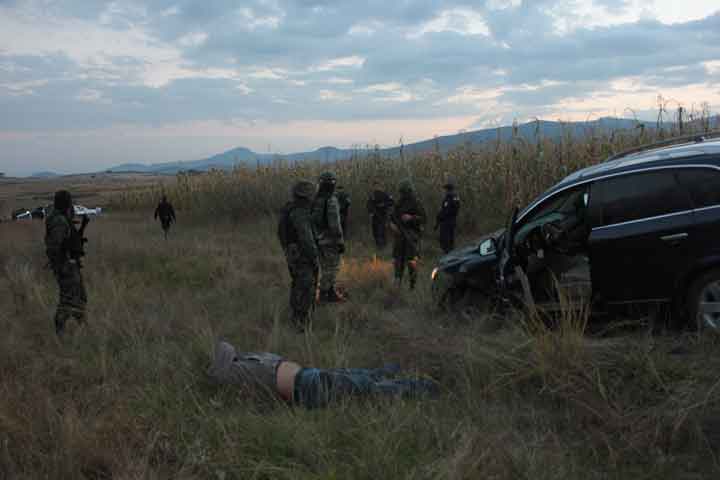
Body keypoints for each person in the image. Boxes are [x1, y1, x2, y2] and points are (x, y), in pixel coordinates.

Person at [208, 340, 438, 408]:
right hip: (306, 388)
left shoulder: (246, 361)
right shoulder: (232, 374)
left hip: (307, 375)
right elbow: (224, 346)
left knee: (357, 375)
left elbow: (226, 347)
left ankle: (397, 371)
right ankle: (421, 387)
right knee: (365, 387)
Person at [278, 180, 320, 330]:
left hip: (292, 254)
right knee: (306, 286)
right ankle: (301, 321)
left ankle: (296, 317)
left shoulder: (289, 209)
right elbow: (306, 238)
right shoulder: (300, 212)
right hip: (302, 255)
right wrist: (315, 257)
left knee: (297, 284)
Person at [45, 190, 88, 336]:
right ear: (65, 203)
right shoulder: (59, 221)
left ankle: (83, 328)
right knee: (68, 300)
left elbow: (68, 241)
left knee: (80, 297)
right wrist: (62, 265)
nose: (71, 205)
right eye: (70, 202)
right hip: (66, 266)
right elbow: (54, 247)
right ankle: (60, 331)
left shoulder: (63, 218)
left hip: (70, 264)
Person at [312, 172, 346, 303]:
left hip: (318, 240)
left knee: (325, 267)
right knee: (332, 268)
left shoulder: (315, 200)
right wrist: (340, 241)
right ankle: (324, 294)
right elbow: (334, 224)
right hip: (330, 241)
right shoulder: (331, 200)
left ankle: (330, 293)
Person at [390, 179, 426, 290]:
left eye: (404, 191)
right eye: (401, 192)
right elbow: (392, 217)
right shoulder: (399, 202)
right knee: (398, 259)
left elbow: (424, 218)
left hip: (411, 234)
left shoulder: (416, 202)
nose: (402, 194)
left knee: (411, 260)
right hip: (399, 235)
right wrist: (392, 225)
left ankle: (412, 285)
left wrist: (411, 218)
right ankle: (397, 281)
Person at [434, 178, 461, 254]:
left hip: (447, 222)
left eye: (446, 189)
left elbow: (448, 210)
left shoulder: (451, 197)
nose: (445, 191)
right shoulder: (452, 197)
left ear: (449, 189)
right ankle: (450, 253)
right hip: (449, 221)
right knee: (449, 240)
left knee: (446, 240)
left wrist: (440, 216)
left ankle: (448, 254)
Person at [366, 181, 394, 250]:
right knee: (375, 231)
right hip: (375, 216)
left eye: (378, 186)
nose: (376, 187)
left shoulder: (385, 194)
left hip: (383, 215)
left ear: (380, 186)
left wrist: (384, 205)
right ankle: (378, 245)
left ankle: (382, 246)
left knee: (381, 231)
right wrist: (370, 212)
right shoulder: (372, 195)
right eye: (375, 186)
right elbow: (368, 204)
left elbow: (391, 202)